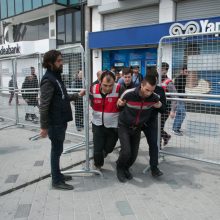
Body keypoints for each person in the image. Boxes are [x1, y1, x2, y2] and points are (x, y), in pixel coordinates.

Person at [39, 50, 85, 190]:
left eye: (61, 60)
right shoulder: (48, 80)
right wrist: (44, 127)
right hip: (55, 123)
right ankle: (56, 181)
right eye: (59, 61)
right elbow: (44, 106)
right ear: (49, 63)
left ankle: (58, 175)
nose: (62, 63)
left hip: (60, 121)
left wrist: (77, 94)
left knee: (58, 150)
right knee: (56, 150)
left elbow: (63, 97)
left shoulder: (56, 77)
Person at [116, 75, 161, 182]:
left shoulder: (154, 97)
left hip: (137, 128)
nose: (149, 93)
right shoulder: (129, 93)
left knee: (134, 155)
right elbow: (119, 107)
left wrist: (159, 105)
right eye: (147, 90)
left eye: (152, 90)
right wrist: (119, 104)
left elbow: (160, 105)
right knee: (126, 151)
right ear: (142, 85)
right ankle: (120, 168)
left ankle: (126, 168)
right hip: (124, 126)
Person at [90, 70, 120, 171]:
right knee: (97, 148)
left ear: (114, 82)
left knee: (109, 147)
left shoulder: (119, 88)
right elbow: (91, 102)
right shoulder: (93, 88)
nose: (107, 88)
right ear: (100, 82)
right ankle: (98, 165)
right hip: (97, 123)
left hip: (113, 125)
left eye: (110, 85)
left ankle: (103, 153)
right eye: (105, 85)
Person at [142, 70, 166, 177]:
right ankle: (125, 164)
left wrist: (159, 106)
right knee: (131, 144)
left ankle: (154, 167)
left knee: (153, 145)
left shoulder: (160, 90)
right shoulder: (139, 88)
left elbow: (164, 108)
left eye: (154, 81)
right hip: (137, 121)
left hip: (151, 121)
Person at [160, 62, 177, 146]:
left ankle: (157, 149)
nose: (159, 70)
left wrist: (173, 111)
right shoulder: (156, 80)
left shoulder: (169, 82)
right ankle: (166, 136)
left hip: (165, 110)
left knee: (159, 128)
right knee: (156, 127)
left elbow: (175, 97)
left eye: (162, 69)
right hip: (156, 108)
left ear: (166, 71)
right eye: (158, 68)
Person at [172, 66, 188, 135]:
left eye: (188, 72)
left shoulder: (184, 78)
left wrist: (184, 95)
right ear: (182, 71)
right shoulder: (179, 79)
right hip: (178, 99)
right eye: (186, 71)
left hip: (181, 98)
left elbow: (182, 89)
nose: (187, 73)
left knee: (179, 114)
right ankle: (175, 129)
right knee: (183, 114)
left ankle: (175, 128)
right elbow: (175, 90)